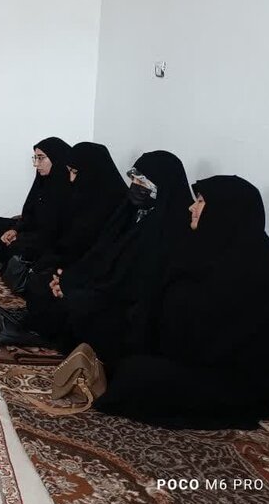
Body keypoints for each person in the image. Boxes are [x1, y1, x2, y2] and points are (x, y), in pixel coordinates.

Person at [95, 176, 269, 429]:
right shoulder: (208, 247)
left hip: (229, 379)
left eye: (200, 201)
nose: (191, 207)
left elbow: (223, 343)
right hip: (189, 358)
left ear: (226, 210)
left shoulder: (261, 271)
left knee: (135, 376)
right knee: (113, 341)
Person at [26, 151, 193, 365]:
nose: (134, 187)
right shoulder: (132, 211)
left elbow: (138, 280)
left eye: (142, 182)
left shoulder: (172, 228)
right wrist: (69, 280)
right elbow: (101, 254)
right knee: (42, 286)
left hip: (126, 299)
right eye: (133, 180)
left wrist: (80, 289)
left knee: (77, 310)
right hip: (103, 283)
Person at [32, 142, 127, 271]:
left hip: (94, 267)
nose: (71, 179)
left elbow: (101, 249)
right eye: (69, 171)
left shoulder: (117, 202)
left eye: (75, 172)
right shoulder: (82, 193)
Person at [0, 137, 72, 266]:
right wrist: (15, 230)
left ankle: (16, 258)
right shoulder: (42, 180)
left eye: (41, 158)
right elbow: (29, 213)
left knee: (19, 247)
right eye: (35, 158)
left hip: (51, 238)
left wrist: (21, 237)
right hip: (34, 230)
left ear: (56, 158)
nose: (36, 164)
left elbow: (57, 230)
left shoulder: (69, 187)